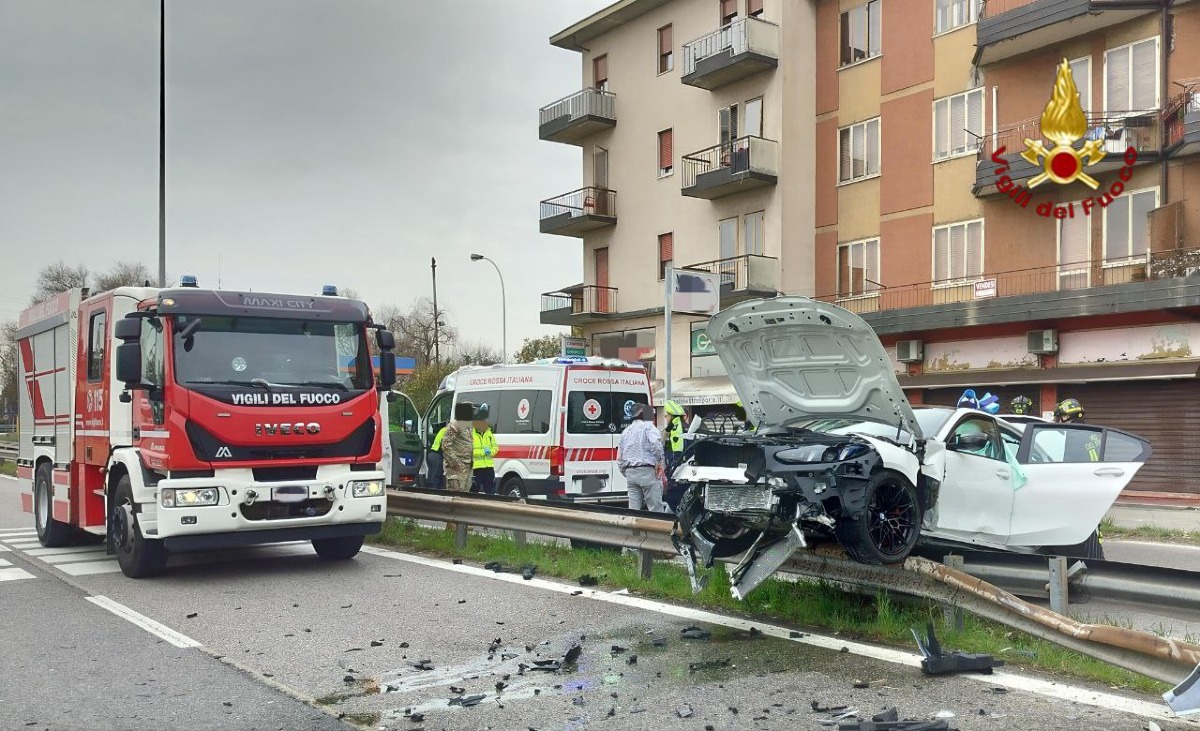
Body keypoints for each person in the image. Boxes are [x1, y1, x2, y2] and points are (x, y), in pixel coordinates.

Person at [617, 402, 666, 512]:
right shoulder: (648, 427)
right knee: (655, 509)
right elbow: (656, 445)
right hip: (648, 471)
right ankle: (655, 524)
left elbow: (619, 457)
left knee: (633, 510)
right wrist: (659, 462)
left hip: (630, 473)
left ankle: (634, 524)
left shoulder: (625, 431)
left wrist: (626, 472)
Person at [441, 402, 476, 493]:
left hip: (468, 465)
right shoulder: (455, 425)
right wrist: (456, 463)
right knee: (455, 494)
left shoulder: (469, 426)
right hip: (456, 468)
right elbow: (446, 446)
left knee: (465, 495)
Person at [471, 404, 498, 495]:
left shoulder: (489, 433)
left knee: (491, 493)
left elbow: (495, 447)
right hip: (476, 468)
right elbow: (469, 451)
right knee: (473, 493)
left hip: (488, 467)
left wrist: (490, 452)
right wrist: (483, 452)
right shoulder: (471, 434)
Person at [663, 400, 686, 479]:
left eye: (666, 415)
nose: (665, 418)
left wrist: (673, 467)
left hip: (676, 466)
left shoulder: (675, 429)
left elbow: (676, 449)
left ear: (671, 416)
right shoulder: (681, 426)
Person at [426, 424, 447, 488]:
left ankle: (430, 490)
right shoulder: (448, 431)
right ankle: (434, 491)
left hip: (431, 454)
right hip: (437, 455)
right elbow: (446, 447)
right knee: (436, 476)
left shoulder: (444, 430)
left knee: (432, 475)